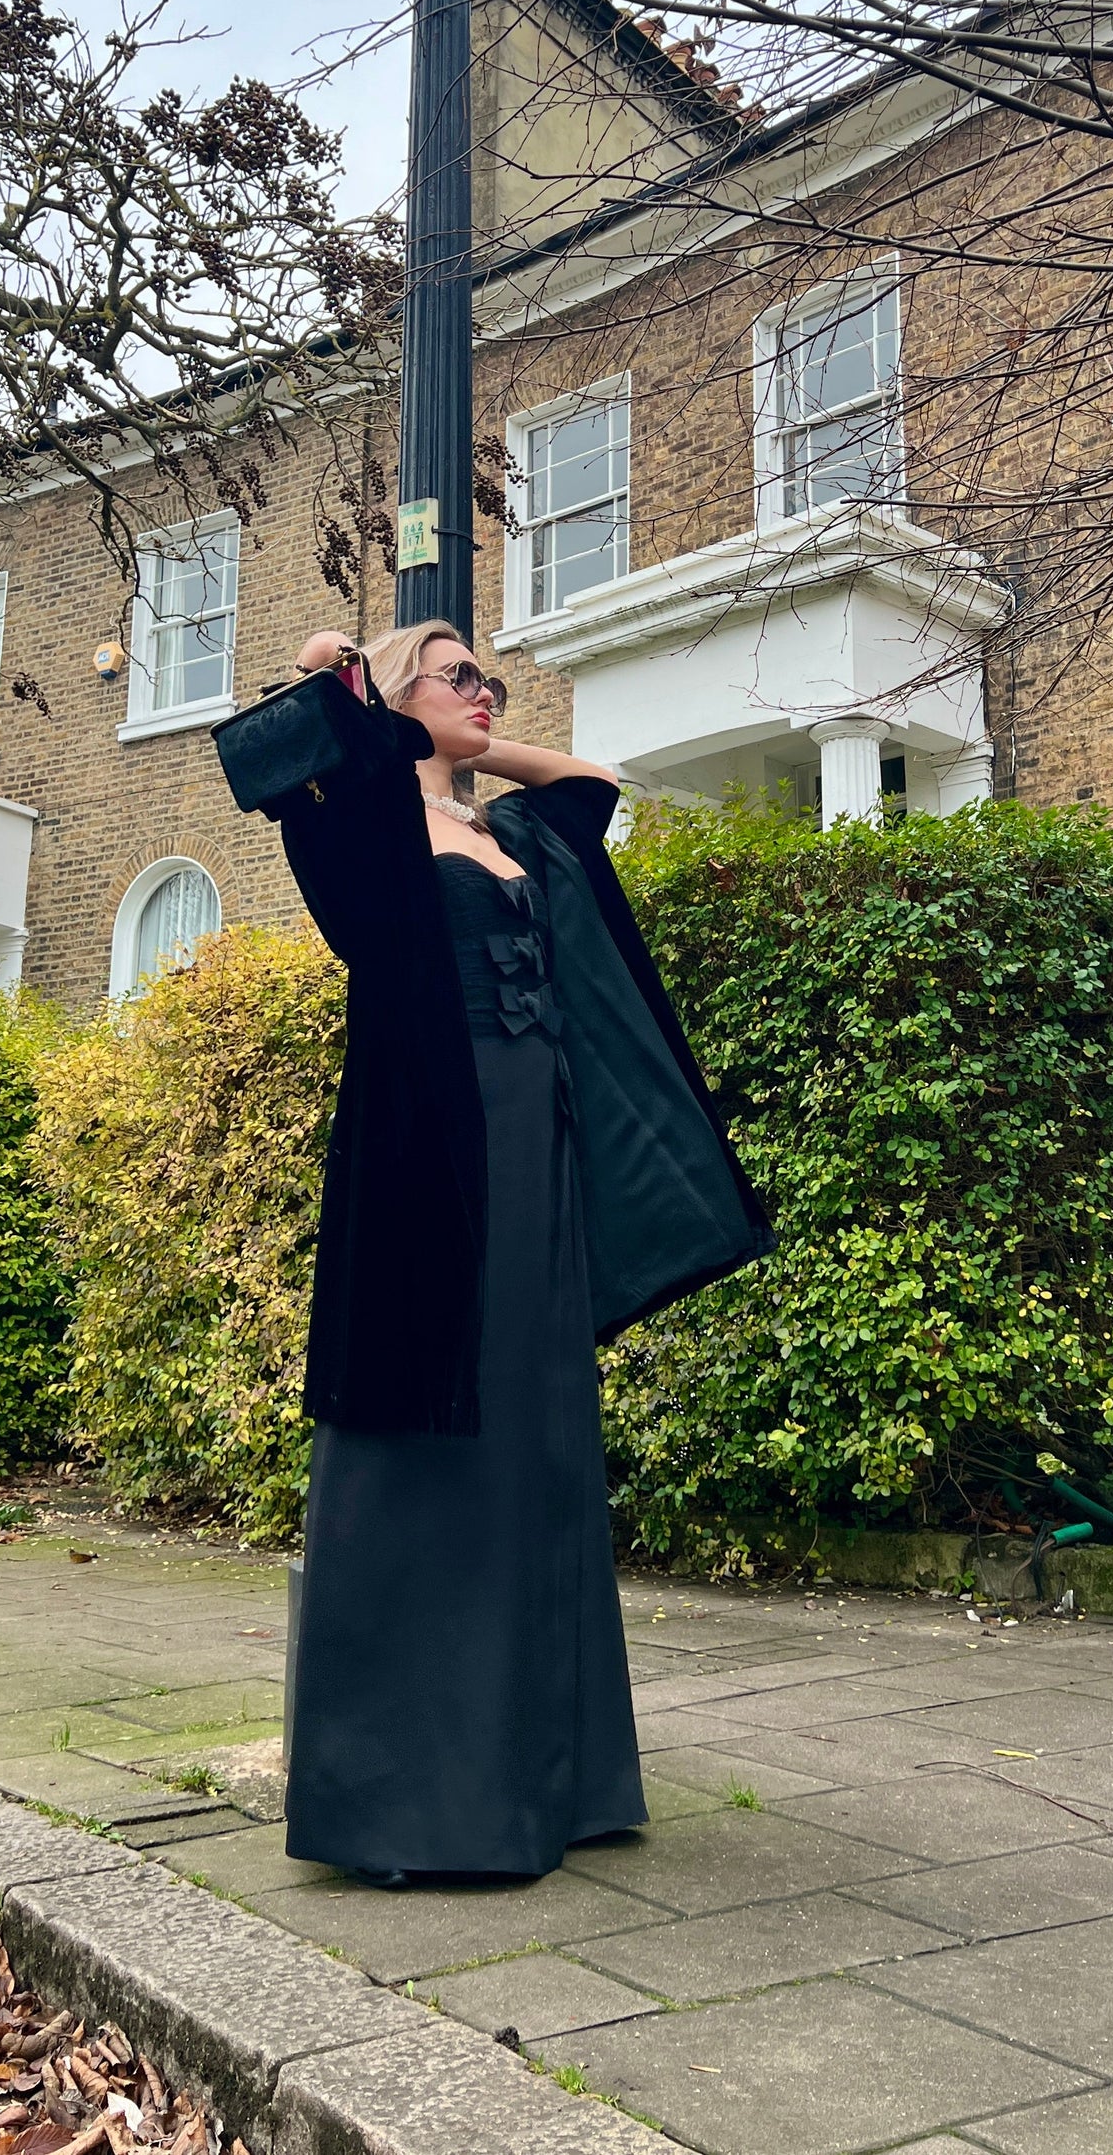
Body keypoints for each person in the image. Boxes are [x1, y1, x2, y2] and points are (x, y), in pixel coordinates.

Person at [269, 620, 775, 1885]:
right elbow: (282, 767)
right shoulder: (357, 828)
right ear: (391, 701)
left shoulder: (515, 836)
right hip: (427, 1161)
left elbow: (594, 784)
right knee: (429, 1430)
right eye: (456, 674)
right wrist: (344, 694)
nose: (484, 691)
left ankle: (554, 1777)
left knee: (538, 1434)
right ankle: (414, 1799)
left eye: (487, 676)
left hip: (537, 1155)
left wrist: (470, 741)